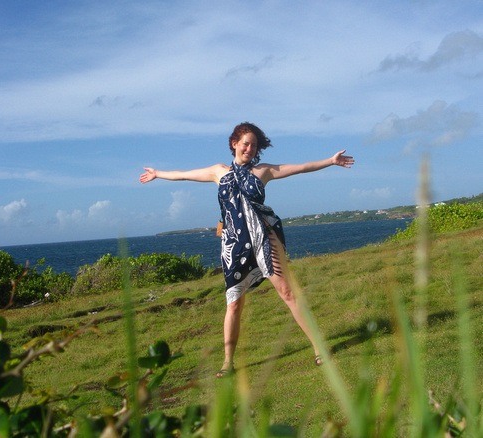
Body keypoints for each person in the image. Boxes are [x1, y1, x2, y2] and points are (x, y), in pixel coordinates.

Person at [139, 122, 354, 377]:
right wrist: (158, 173)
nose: (249, 149)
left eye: (253, 145)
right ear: (234, 144)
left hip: (263, 237)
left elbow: (300, 168)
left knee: (287, 292)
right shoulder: (218, 172)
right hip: (234, 244)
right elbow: (184, 174)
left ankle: (319, 348)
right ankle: (227, 362)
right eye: (245, 144)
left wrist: (330, 161)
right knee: (233, 304)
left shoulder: (262, 171)